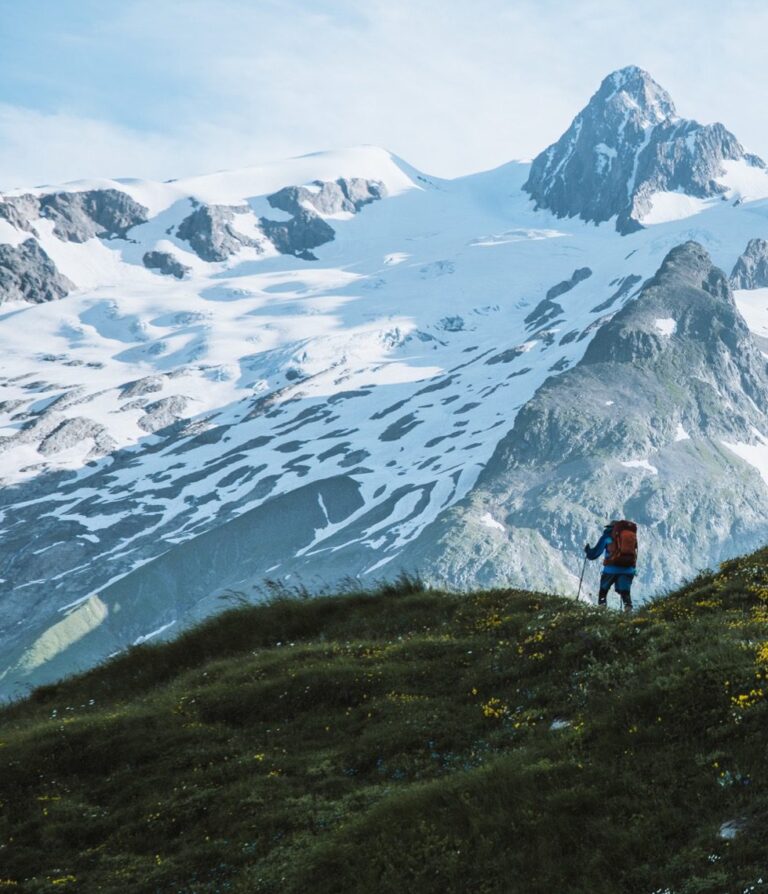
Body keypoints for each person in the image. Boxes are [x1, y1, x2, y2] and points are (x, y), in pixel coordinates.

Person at [584, 519, 638, 612]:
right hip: (628, 569)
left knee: (603, 590)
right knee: (625, 592)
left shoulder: (607, 537)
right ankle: (628, 607)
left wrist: (588, 551)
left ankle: (602, 608)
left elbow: (594, 554)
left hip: (611, 569)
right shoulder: (631, 537)